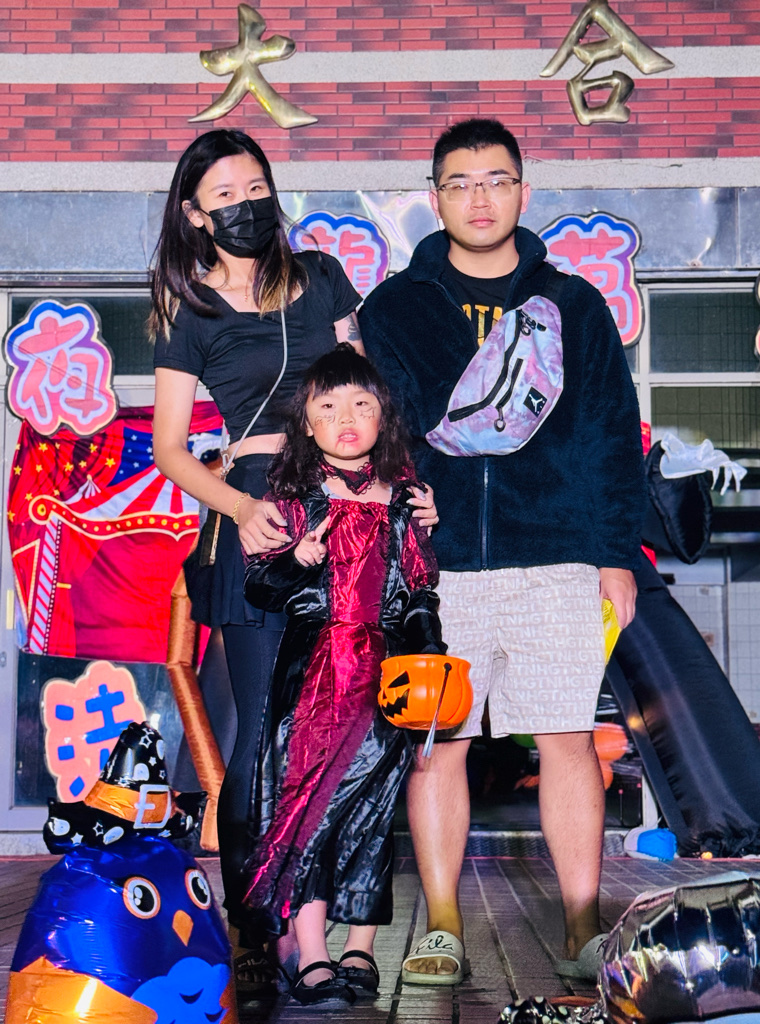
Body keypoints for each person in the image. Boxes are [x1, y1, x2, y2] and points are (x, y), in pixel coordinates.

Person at [149, 128, 436, 994]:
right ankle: (257, 930)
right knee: (259, 741)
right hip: (259, 515)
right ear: (195, 214)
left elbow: (365, 393)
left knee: (354, 733)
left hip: (349, 510)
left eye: (256, 188)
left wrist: (406, 490)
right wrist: (240, 509)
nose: (246, 205)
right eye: (225, 196)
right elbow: (170, 449)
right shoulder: (190, 311)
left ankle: (332, 932)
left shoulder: (319, 275)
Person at [360, 118, 645, 985]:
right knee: (436, 744)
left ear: (524, 190)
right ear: (434, 197)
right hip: (438, 569)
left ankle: (583, 926)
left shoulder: (573, 304)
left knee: (567, 737)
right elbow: (381, 432)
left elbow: (610, 433)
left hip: (557, 554)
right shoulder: (395, 309)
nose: (479, 198)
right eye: (460, 182)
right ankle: (442, 926)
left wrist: (615, 554)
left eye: (496, 180)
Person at [241, 344, 445, 1006]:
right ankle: (311, 952)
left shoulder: (405, 500)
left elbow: (420, 589)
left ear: (384, 416)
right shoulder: (295, 499)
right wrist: (295, 559)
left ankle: (360, 947)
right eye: (328, 407)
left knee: (374, 810)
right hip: (314, 675)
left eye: (361, 404)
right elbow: (260, 588)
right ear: (306, 422)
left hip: (386, 677)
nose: (347, 418)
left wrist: (430, 653)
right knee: (306, 807)